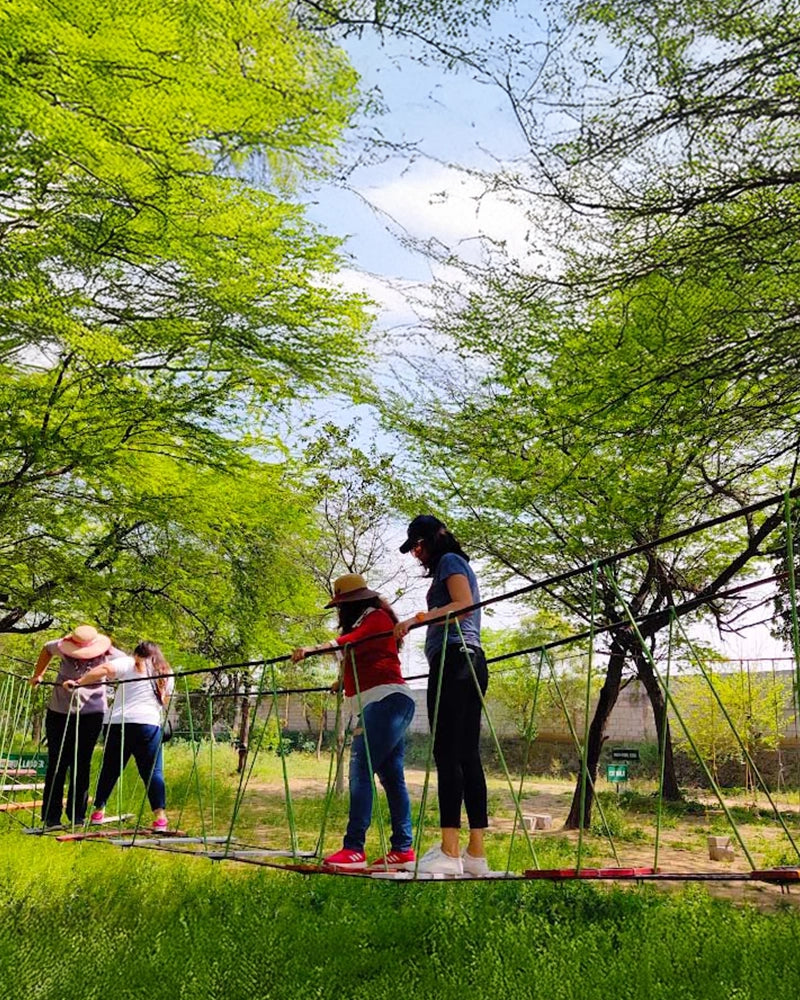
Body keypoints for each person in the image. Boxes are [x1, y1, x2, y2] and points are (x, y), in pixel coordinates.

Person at [292, 574, 416, 871]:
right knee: (391, 777)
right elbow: (360, 656)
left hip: (385, 702)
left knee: (360, 769)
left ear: (353, 603)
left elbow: (352, 641)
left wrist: (313, 649)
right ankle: (402, 849)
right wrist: (341, 682)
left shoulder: (376, 617)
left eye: (341, 605)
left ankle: (354, 849)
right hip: (385, 703)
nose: (339, 611)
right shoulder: (364, 622)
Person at [395, 515, 489, 876]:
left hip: (454, 660)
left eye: (418, 545)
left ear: (435, 538)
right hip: (470, 660)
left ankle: (450, 851)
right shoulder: (451, 566)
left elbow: (463, 605)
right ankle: (475, 854)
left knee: (447, 753)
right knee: (467, 754)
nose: (417, 554)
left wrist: (417, 619)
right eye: (413, 549)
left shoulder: (450, 561)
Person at [63, 641, 174, 832]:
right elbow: (164, 701)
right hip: (148, 725)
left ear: (137, 653)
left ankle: (98, 811)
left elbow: (104, 669)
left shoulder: (129, 662)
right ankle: (160, 819)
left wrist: (79, 683)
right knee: (153, 772)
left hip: (118, 723)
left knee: (111, 768)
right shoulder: (166, 671)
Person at [29, 625, 124, 830]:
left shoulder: (109, 653)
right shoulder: (60, 646)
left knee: (81, 763)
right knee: (57, 762)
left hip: (91, 714)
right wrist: (38, 674)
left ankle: (77, 816)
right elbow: (46, 650)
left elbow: (128, 665)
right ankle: (51, 816)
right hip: (59, 712)